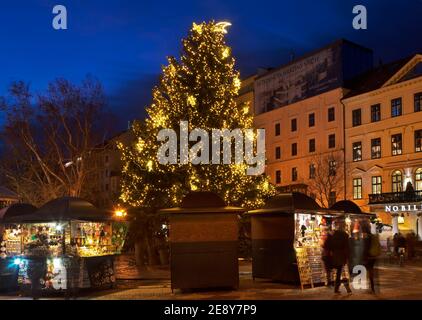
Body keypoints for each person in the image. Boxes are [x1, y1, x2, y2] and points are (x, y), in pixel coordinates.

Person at [327, 220, 352, 294]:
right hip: (341, 255)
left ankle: (338, 287)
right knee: (341, 272)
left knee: (339, 272)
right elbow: (347, 247)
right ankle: (343, 287)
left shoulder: (333, 234)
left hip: (334, 255)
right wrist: (347, 257)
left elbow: (329, 245)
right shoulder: (345, 235)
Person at [362, 222, 381, 294]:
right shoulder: (372, 236)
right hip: (373, 256)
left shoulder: (367, 237)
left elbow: (366, 247)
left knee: (369, 270)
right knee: (370, 270)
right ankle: (372, 286)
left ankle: (371, 286)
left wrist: (364, 256)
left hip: (369, 256)